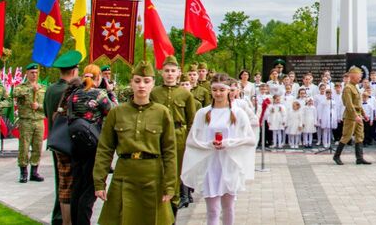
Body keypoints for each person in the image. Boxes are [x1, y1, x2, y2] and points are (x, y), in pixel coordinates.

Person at [93, 61, 178, 225]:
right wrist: (99, 182)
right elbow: (105, 149)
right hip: (124, 176)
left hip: (153, 177)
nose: (142, 86)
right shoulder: (117, 112)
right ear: (131, 82)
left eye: (146, 81)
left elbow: (170, 152)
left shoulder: (162, 113)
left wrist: (170, 185)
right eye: (137, 81)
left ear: (153, 83)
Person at [181, 74, 256, 225]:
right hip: (211, 165)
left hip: (229, 164)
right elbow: (191, 140)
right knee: (213, 210)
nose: (218, 93)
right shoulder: (203, 113)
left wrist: (230, 142)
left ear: (229, 91)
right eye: (215, 89)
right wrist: (208, 145)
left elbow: (250, 139)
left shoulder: (237, 113)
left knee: (228, 208)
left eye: (222, 89)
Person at [65, 64, 114, 224]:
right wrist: (110, 92)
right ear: (98, 78)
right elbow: (114, 111)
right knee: (91, 187)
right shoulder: (99, 95)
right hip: (93, 144)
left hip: (75, 145)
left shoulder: (73, 95)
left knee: (77, 186)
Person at [150, 55, 197, 212]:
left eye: (173, 71)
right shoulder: (154, 93)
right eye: (166, 71)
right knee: (156, 171)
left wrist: (189, 140)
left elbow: (192, 121)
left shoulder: (185, 94)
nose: (170, 74)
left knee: (175, 174)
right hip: (156, 136)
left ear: (178, 73)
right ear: (161, 73)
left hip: (178, 136)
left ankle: (173, 208)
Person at [44, 51, 82, 225]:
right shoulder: (72, 91)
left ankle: (58, 217)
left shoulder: (51, 89)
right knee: (69, 185)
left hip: (55, 140)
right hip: (68, 143)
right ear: (74, 71)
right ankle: (62, 218)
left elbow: (46, 113)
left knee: (60, 182)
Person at [14, 63, 46, 183]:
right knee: (24, 147)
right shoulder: (21, 87)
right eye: (32, 72)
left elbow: (47, 105)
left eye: (36, 73)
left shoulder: (42, 88)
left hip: (38, 121)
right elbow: (15, 94)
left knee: (38, 147)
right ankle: (23, 172)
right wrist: (29, 90)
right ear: (27, 73)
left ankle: (34, 171)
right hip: (26, 121)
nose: (34, 75)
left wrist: (39, 106)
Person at [333, 66, 371, 165]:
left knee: (360, 136)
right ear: (353, 77)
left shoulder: (355, 87)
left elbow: (359, 103)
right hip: (351, 116)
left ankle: (359, 158)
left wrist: (364, 114)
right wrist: (355, 116)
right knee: (346, 136)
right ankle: (336, 156)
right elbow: (349, 104)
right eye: (359, 77)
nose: (360, 79)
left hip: (358, 115)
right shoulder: (347, 88)